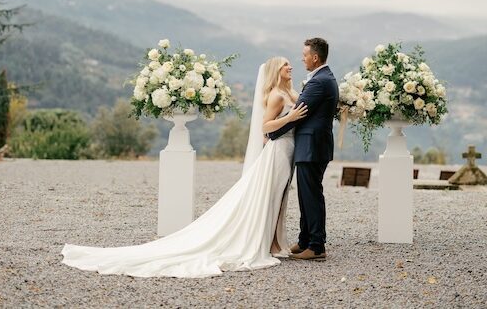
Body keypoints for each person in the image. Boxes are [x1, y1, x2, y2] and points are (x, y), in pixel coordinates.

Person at [60, 56, 307, 278]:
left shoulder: (289, 93)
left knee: (279, 198)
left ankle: (274, 243)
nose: (290, 66)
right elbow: (266, 127)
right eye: (285, 64)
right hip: (277, 152)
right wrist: (290, 118)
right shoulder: (276, 95)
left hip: (286, 150)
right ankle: (268, 244)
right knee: (272, 198)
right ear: (276, 69)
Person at [267, 37, 339, 261]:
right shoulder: (323, 78)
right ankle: (306, 239)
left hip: (312, 145)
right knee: (306, 193)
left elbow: (298, 113)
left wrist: (271, 134)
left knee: (312, 195)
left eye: (305, 55)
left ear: (315, 57)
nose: (302, 58)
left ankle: (316, 246)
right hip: (312, 145)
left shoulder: (319, 81)